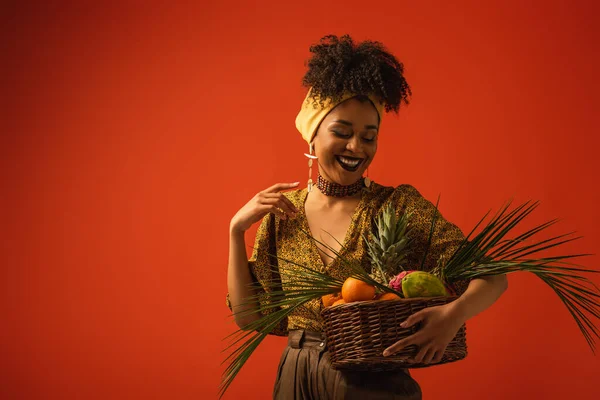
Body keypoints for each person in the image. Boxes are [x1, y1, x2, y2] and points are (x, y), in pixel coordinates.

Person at [227, 34, 508, 399]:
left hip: (373, 381)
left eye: (368, 136)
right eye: (342, 132)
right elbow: (249, 318)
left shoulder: (398, 206)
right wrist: (235, 231)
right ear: (312, 138)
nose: (356, 147)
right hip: (296, 377)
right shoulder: (283, 213)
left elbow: (494, 277)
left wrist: (453, 315)